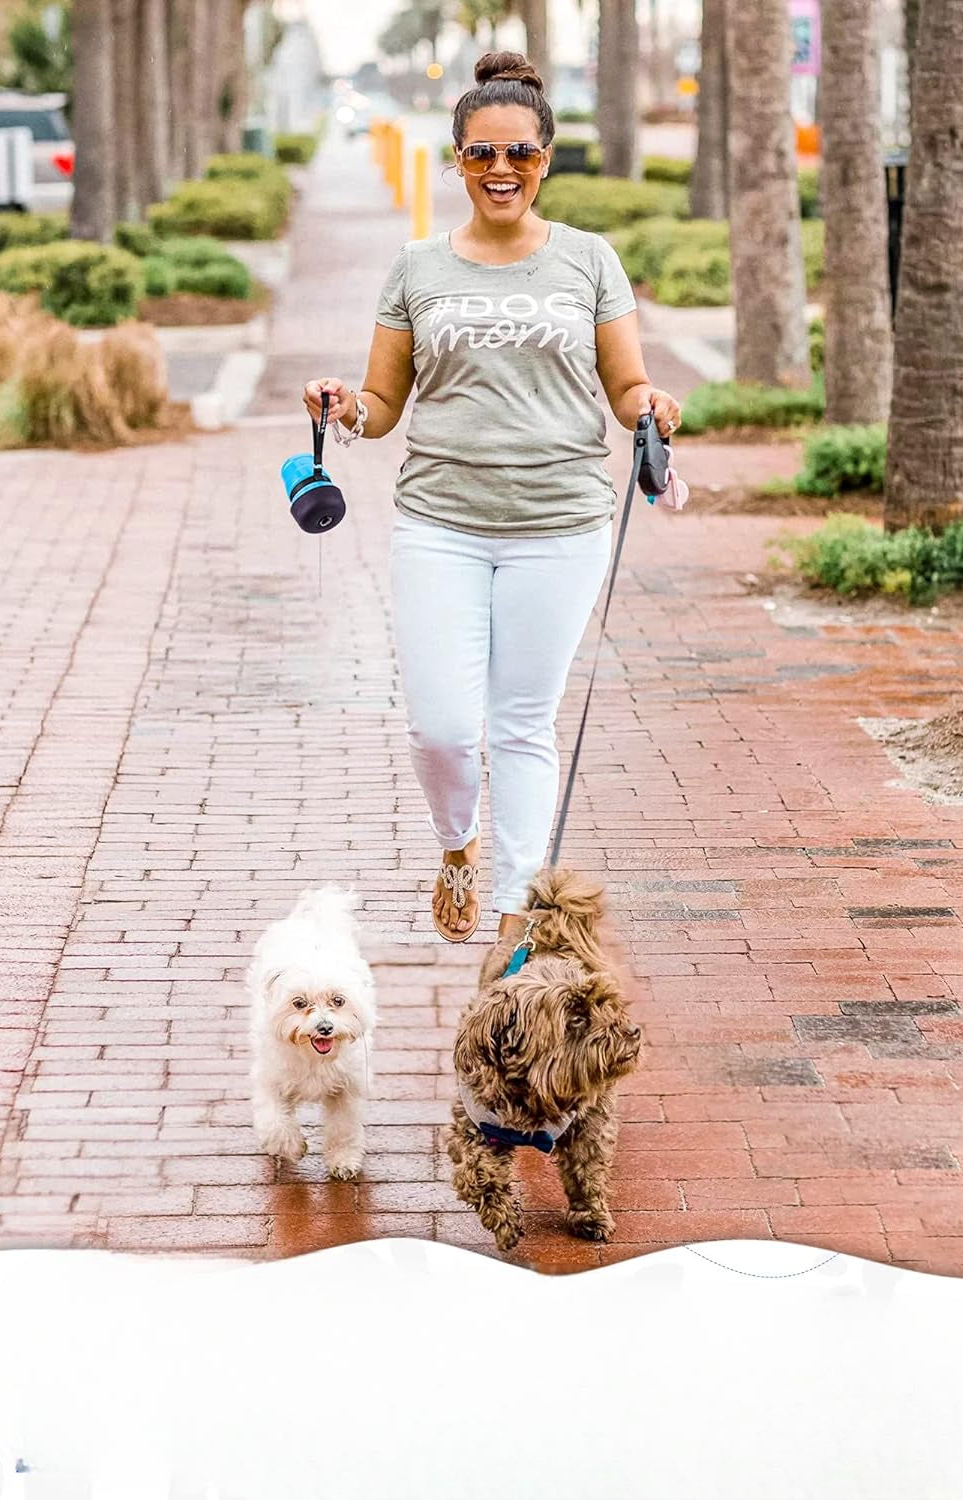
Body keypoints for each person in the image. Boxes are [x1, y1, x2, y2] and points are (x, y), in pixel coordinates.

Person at [302, 50, 681, 947]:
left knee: (521, 724)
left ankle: (516, 915)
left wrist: (652, 407)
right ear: (457, 161)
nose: (500, 170)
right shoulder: (417, 267)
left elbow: (624, 385)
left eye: (518, 154)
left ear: (546, 157)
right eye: (480, 155)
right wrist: (342, 407)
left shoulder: (590, 260)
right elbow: (385, 406)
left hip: (561, 524)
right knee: (438, 728)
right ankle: (455, 842)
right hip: (440, 523)